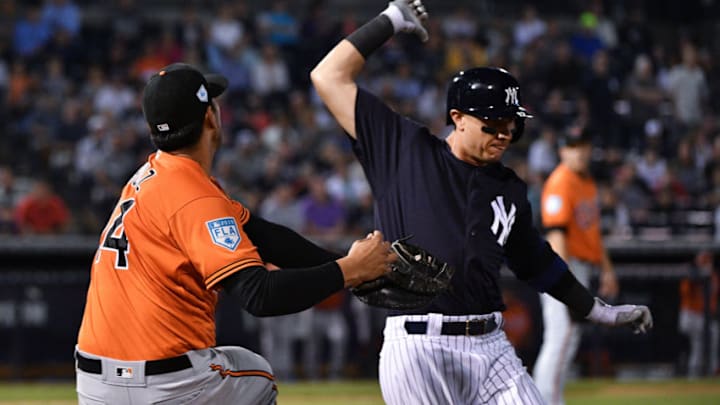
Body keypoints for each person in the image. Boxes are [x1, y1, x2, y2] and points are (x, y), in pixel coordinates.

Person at [310, 1, 652, 403]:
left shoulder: (508, 185)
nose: (505, 134)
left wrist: (596, 310)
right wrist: (391, 21)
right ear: (457, 117)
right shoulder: (404, 149)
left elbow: (536, 262)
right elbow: (328, 76)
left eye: (512, 125)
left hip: (491, 346)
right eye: (492, 125)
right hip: (418, 346)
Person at [74, 62, 396, 405]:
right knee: (256, 374)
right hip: (166, 384)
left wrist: (350, 264)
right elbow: (260, 295)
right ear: (211, 119)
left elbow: (264, 236)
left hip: (94, 382)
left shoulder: (149, 176)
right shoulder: (195, 195)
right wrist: (349, 271)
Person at [532, 126, 619, 404]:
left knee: (567, 340)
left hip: (582, 265)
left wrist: (606, 269)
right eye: (573, 146)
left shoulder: (588, 182)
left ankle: (543, 399)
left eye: (583, 145)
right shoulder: (561, 182)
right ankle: (545, 400)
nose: (579, 152)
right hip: (563, 267)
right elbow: (556, 233)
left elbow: (593, 233)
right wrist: (564, 280)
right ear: (562, 151)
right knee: (561, 337)